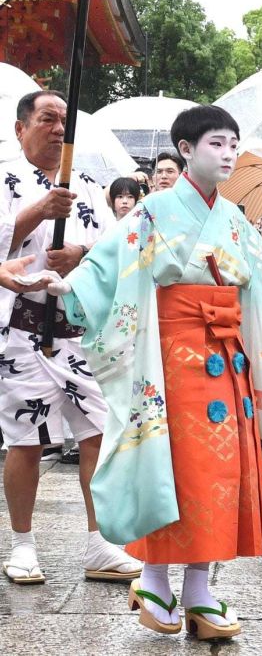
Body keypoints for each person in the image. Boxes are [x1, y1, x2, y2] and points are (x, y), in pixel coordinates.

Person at [46, 105, 262, 639]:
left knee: (219, 472)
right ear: (186, 149)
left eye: (232, 143)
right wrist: (71, 287)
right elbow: (109, 262)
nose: (229, 153)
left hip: (227, 361)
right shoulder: (153, 210)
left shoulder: (233, 217)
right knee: (174, 465)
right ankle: (152, 578)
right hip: (169, 360)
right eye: (217, 143)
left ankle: (197, 589)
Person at [0, 90, 142, 584]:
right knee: (27, 439)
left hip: (77, 332)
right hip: (22, 326)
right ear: (22, 128)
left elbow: (113, 248)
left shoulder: (85, 184)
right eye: (47, 119)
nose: (59, 129)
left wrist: (80, 252)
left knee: (96, 433)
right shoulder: (4, 179)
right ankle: (21, 544)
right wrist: (40, 211)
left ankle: (98, 542)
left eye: (64, 121)